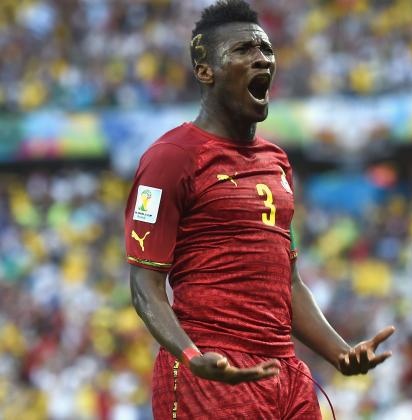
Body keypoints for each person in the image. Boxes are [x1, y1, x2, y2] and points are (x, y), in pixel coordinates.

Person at [124, 1, 395, 418]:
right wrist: (191, 355)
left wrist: (341, 353)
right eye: (243, 50)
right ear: (206, 71)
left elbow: (289, 283)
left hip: (285, 372)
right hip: (214, 369)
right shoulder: (170, 158)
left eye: (266, 49)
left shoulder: (276, 162)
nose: (262, 58)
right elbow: (145, 286)